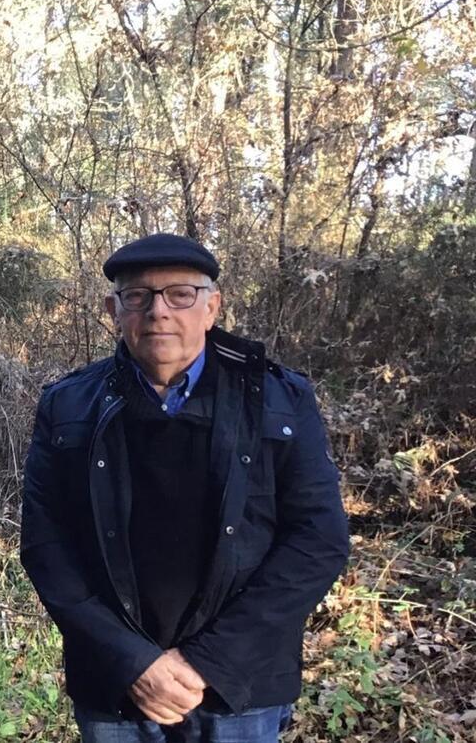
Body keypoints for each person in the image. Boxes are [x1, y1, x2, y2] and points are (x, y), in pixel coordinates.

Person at [20, 233, 349, 742]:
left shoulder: (279, 399)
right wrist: (134, 662)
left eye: (180, 294)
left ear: (211, 307)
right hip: (116, 683)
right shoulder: (68, 406)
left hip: (239, 684)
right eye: (138, 296)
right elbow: (46, 548)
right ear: (114, 309)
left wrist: (205, 661)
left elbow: (317, 540)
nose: (158, 311)